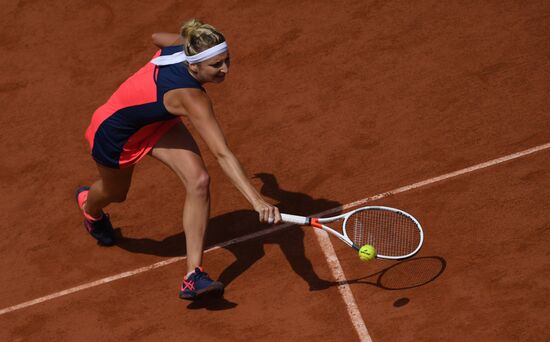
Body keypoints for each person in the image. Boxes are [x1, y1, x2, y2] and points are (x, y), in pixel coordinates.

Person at [76, 18, 281, 300]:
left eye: (227, 60)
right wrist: (256, 200)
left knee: (199, 181)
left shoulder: (181, 49)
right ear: (194, 65)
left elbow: (156, 36)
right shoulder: (191, 97)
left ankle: (192, 275)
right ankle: (89, 207)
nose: (225, 69)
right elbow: (221, 152)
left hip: (157, 123)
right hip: (116, 134)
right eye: (217, 65)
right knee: (115, 193)